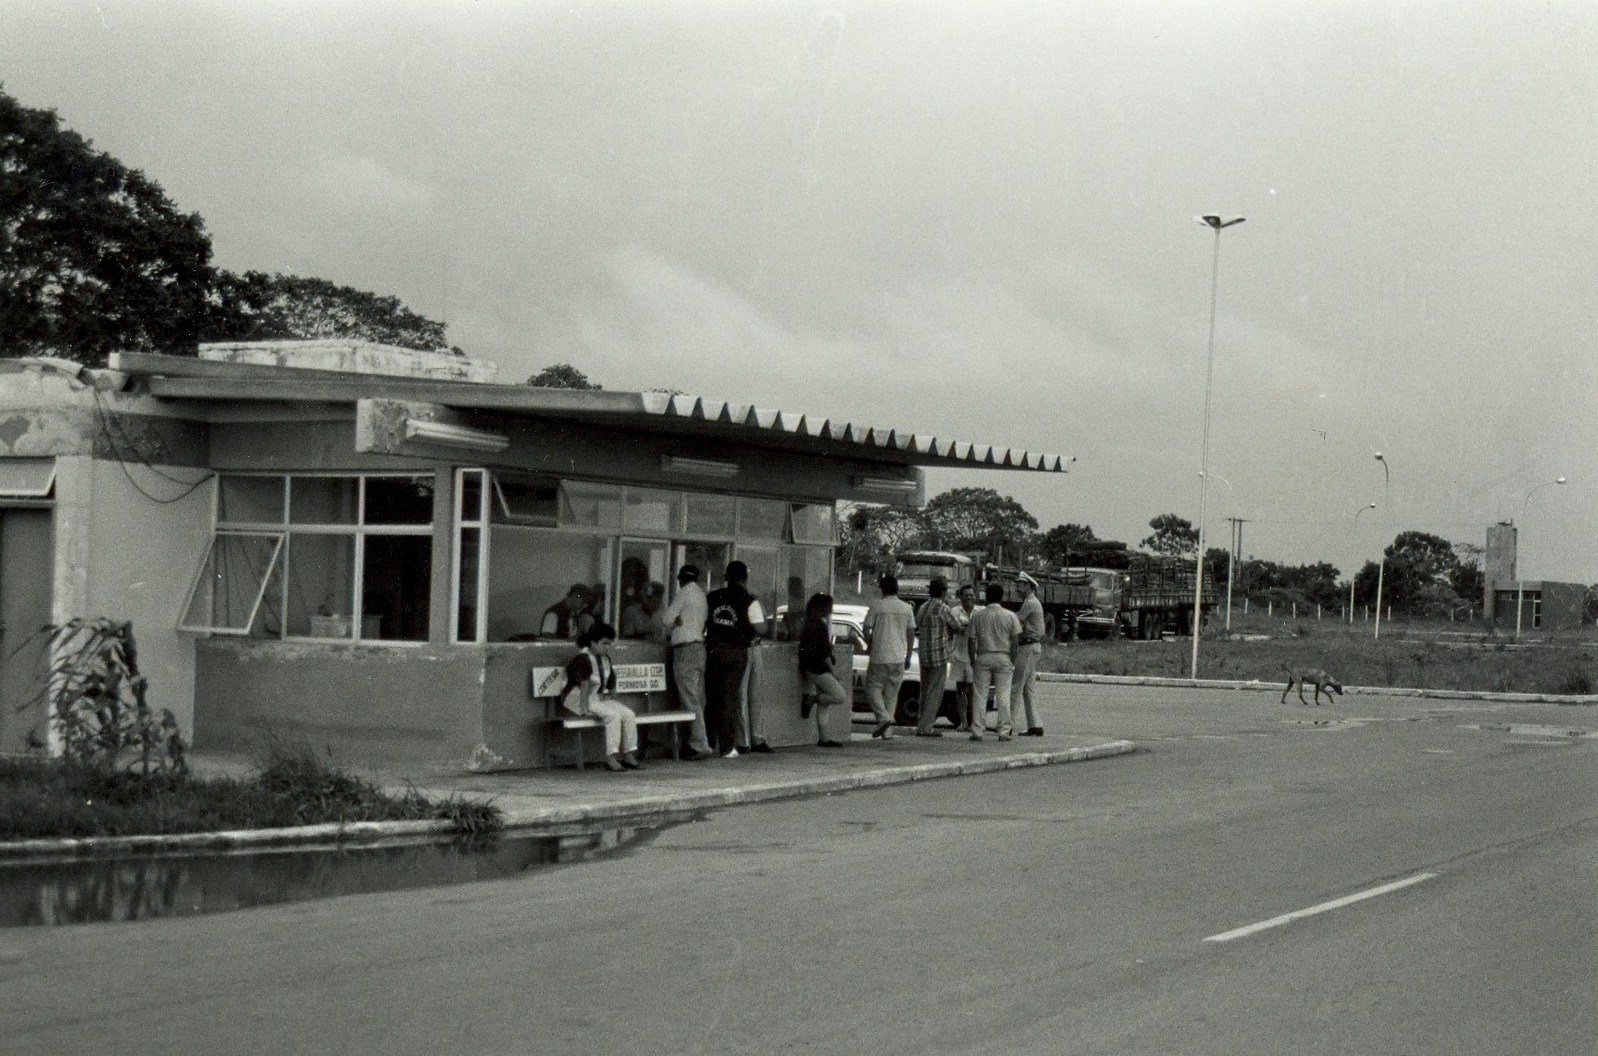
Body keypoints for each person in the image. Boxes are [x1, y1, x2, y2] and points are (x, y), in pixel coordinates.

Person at [705, 560, 769, 757]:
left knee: (712, 697)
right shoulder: (750, 600)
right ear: (745, 578)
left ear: (727, 577)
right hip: (737, 652)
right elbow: (761, 629)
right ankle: (728, 745)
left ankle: (709, 741)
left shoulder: (713, 597)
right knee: (731, 698)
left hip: (713, 650)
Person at [559, 622, 641, 772]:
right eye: (604, 643)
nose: (607, 647)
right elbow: (584, 685)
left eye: (609, 644)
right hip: (577, 698)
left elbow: (611, 683)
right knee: (613, 716)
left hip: (596, 697)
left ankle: (628, 754)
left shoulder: (605, 659)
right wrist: (584, 709)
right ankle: (610, 757)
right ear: (593, 643)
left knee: (628, 714)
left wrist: (614, 702)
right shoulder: (583, 658)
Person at [661, 563, 714, 761]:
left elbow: (667, 618)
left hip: (684, 649)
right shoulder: (701, 595)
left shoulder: (684, 593)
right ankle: (695, 742)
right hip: (699, 648)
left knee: (689, 698)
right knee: (697, 697)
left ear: (681, 579)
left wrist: (676, 621)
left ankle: (699, 744)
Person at [862, 572, 915, 740]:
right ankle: (887, 731)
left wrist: (870, 643)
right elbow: (911, 633)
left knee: (873, 688)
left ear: (882, 589)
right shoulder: (907, 608)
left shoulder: (877, 606)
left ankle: (883, 718)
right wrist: (908, 656)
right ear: (897, 589)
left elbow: (866, 628)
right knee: (892, 694)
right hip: (898, 656)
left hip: (879, 655)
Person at [968, 582, 1022, 741]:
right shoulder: (1010, 616)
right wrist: (1012, 660)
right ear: (1002, 597)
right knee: (1003, 694)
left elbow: (971, 640)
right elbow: (1015, 641)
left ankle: (977, 730)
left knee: (980, 695)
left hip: (983, 656)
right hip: (1003, 656)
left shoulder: (977, 616)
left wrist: (973, 660)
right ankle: (1004, 731)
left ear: (986, 597)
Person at [913, 577, 964, 737]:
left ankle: (921, 724)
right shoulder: (943, 608)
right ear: (943, 591)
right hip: (939, 654)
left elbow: (917, 625)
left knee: (924, 691)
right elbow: (956, 626)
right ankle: (926, 727)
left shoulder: (923, 607)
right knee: (935, 693)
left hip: (923, 654)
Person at [797, 592, 847, 747]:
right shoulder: (820, 626)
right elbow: (824, 652)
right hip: (819, 668)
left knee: (825, 704)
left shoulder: (809, 624)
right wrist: (833, 672)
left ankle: (824, 738)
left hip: (809, 667)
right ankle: (811, 699)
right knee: (839, 696)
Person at [1012, 572, 1047, 736]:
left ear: (1028, 585)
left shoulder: (1030, 603)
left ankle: (1007, 724)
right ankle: (1035, 725)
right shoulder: (1031, 602)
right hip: (1031, 646)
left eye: (1020, 585)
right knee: (1028, 688)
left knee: (1016, 686)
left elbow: (1015, 621)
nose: (1017, 589)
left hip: (1028, 646)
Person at [949, 583, 978, 732]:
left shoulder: (980, 611)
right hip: (959, 655)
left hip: (975, 656)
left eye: (971, 595)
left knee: (973, 691)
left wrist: (964, 628)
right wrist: (967, 628)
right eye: (966, 595)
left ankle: (974, 722)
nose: (969, 598)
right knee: (960, 690)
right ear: (960, 596)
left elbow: (977, 631)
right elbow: (954, 628)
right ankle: (963, 721)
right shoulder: (954, 611)